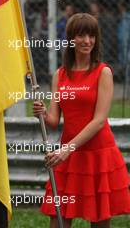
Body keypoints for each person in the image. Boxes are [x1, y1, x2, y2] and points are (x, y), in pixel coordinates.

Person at [33, 13, 130, 228]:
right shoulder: (60, 74)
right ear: (70, 39)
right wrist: (42, 112)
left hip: (97, 154)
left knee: (99, 222)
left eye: (92, 35)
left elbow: (98, 121)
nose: (87, 40)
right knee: (58, 221)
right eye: (81, 35)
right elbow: (54, 120)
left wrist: (66, 149)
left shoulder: (103, 72)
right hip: (68, 157)